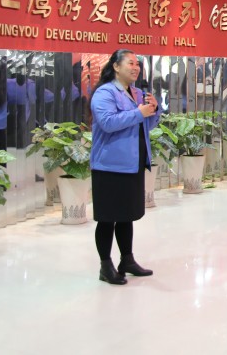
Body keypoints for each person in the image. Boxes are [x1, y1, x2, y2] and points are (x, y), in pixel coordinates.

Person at [90, 49, 160, 285]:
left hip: (132, 164)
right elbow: (107, 123)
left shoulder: (138, 93)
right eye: (130, 63)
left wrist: (153, 111)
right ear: (116, 66)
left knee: (125, 216)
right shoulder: (105, 93)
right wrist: (138, 113)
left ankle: (127, 260)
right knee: (108, 218)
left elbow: (146, 125)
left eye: (138, 64)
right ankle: (105, 266)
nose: (135, 68)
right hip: (109, 166)